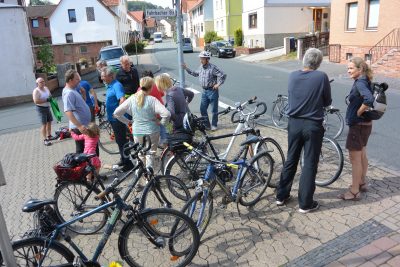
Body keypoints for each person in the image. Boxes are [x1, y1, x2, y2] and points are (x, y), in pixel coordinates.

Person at [275, 48, 332, 213]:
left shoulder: (292, 75)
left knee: (291, 159)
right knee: (309, 163)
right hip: (312, 125)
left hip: (294, 124)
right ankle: (305, 203)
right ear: (318, 62)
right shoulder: (321, 77)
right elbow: (327, 100)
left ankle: (281, 196)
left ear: (304, 60)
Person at [113, 76, 170, 172]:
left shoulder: (132, 98)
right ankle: (149, 180)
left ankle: (139, 178)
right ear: (151, 87)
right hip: (152, 131)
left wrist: (128, 122)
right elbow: (167, 114)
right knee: (150, 155)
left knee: (140, 154)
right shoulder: (152, 100)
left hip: (137, 131)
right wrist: (161, 124)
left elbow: (116, 113)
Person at [338, 57, 375, 200]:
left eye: (351, 68)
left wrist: (358, 112)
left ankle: (354, 191)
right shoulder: (366, 80)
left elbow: (369, 99)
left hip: (358, 125)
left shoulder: (360, 83)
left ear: (360, 69)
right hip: (366, 124)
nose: (348, 71)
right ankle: (361, 182)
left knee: (355, 159)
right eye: (348, 68)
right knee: (362, 154)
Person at [182, 51, 226, 130]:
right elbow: (195, 73)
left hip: (212, 91)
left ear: (207, 59)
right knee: (202, 109)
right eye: (200, 58)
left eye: (202, 59)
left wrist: (218, 84)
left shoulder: (213, 68)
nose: (200, 60)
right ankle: (207, 125)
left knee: (214, 110)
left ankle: (214, 125)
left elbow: (223, 75)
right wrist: (186, 68)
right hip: (204, 91)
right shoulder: (201, 67)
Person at [101, 66, 133, 171]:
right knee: (119, 141)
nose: (102, 78)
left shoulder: (116, 85)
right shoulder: (110, 85)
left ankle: (128, 163)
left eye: (104, 76)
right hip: (112, 119)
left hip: (117, 119)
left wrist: (117, 113)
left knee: (122, 141)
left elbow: (122, 99)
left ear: (111, 76)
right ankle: (123, 159)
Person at [62, 69, 92, 154]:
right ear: (70, 80)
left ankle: (90, 165)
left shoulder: (74, 89)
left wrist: (83, 93)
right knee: (82, 151)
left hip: (84, 125)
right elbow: (68, 111)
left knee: (88, 150)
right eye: (77, 79)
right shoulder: (69, 93)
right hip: (80, 128)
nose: (80, 80)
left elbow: (81, 102)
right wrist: (79, 126)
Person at [138, 70, 168, 147]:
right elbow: (162, 94)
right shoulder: (156, 85)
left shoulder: (140, 89)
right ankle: (167, 149)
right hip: (160, 111)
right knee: (163, 130)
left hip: (151, 115)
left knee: (151, 134)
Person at [32, 77, 54, 146]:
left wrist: (51, 100)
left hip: (47, 107)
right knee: (44, 124)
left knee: (49, 122)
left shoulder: (46, 88)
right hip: (41, 109)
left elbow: (50, 96)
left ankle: (49, 135)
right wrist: (46, 100)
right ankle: (45, 139)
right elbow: (36, 101)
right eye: (41, 82)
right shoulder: (36, 91)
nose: (42, 83)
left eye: (43, 81)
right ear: (37, 83)